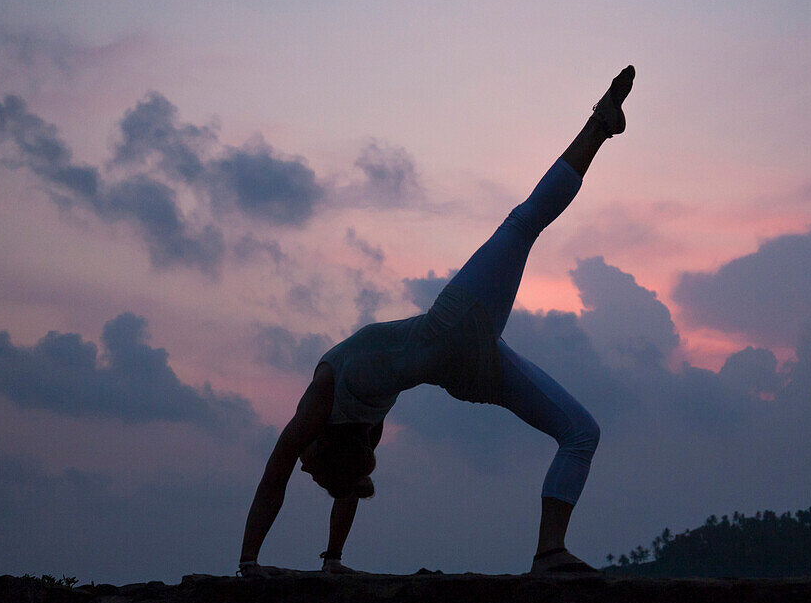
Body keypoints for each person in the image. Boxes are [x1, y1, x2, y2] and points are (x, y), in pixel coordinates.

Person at [238, 66, 635, 577]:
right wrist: (251, 562)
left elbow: (324, 479)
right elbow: (286, 470)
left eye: (310, 467)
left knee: (582, 432)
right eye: (313, 467)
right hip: (452, 328)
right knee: (522, 222)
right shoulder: (332, 404)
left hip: (466, 373)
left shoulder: (351, 426)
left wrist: (325, 559)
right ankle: (601, 123)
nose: (304, 466)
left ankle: (550, 553)